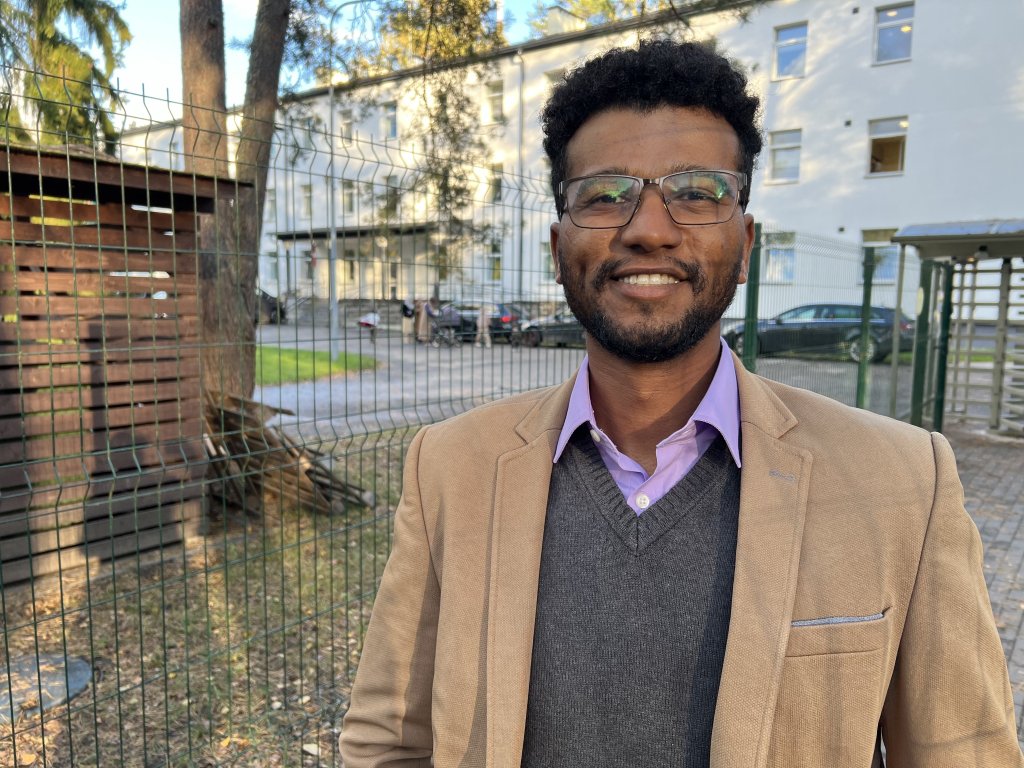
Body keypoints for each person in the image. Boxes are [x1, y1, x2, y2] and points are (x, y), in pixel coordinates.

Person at [340, 40, 1023, 767]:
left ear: (748, 239)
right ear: (556, 242)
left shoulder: (901, 480)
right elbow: (391, 739)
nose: (649, 228)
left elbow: (964, 751)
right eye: (604, 194)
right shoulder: (450, 468)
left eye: (698, 191)